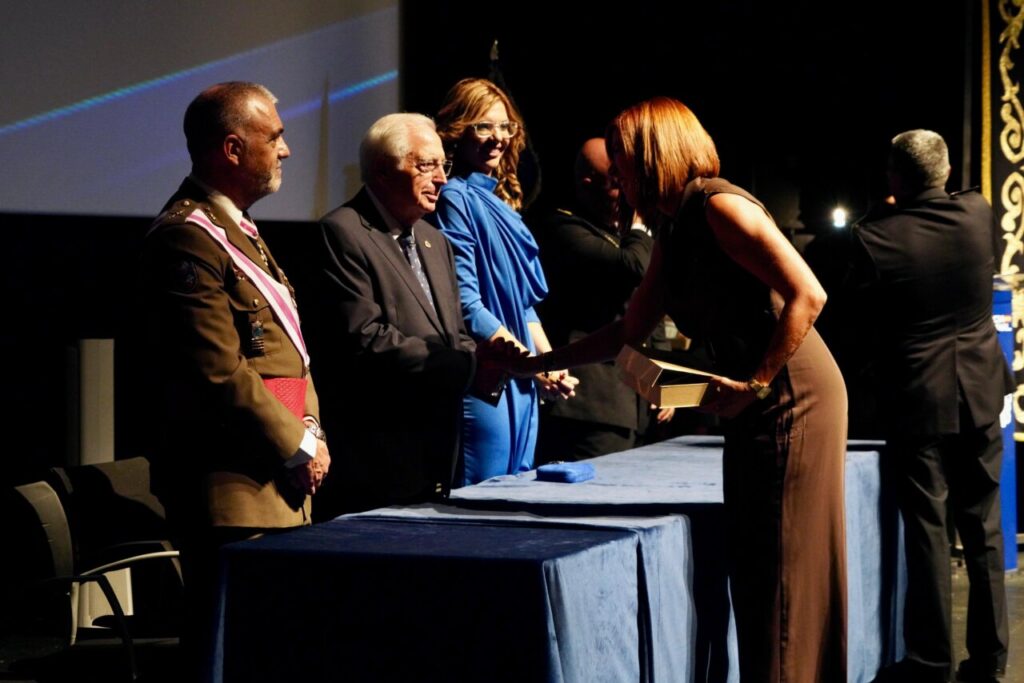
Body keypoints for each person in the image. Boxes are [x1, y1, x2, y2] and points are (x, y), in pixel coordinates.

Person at [505, 97, 848, 683]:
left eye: (621, 162)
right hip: (751, 398)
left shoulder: (718, 207)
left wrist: (758, 383)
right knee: (759, 567)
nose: (615, 178)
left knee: (784, 569)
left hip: (792, 394)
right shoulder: (676, 221)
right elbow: (627, 331)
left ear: (651, 155)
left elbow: (809, 295)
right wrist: (533, 363)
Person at [140, 81, 330, 679]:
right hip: (233, 489)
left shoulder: (238, 228)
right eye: (274, 137)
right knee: (230, 655)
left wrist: (310, 429)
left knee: (273, 650)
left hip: (279, 478)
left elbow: (286, 355)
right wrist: (298, 443)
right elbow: (218, 370)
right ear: (231, 147)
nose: (286, 150)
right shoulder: (186, 236)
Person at [853, 130, 1011, 683]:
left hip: (920, 400)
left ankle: (931, 664)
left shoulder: (877, 237)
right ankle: (989, 662)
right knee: (985, 531)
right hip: (982, 391)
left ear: (894, 177)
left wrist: (882, 207)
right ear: (942, 173)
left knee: (928, 536)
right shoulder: (977, 214)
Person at [309, 113, 501, 516]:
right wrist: (469, 366)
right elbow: (368, 339)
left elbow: (456, 331)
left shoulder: (434, 241)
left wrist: (477, 359)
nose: (442, 179)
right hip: (378, 460)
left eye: (442, 165)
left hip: (437, 453)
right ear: (382, 170)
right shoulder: (342, 232)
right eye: (426, 165)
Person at [432, 77, 577, 485]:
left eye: (504, 127)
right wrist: (529, 363)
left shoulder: (500, 203)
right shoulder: (453, 199)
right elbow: (467, 303)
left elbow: (523, 302)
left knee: (517, 491)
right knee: (486, 499)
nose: (498, 138)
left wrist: (549, 363)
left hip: (520, 375)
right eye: (484, 126)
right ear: (458, 132)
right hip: (489, 374)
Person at [534, 137, 668, 462]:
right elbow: (632, 268)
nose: (626, 192)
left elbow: (648, 304)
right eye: (616, 183)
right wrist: (639, 221)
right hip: (589, 406)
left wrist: (664, 379)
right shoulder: (564, 228)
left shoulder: (627, 237)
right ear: (587, 183)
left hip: (631, 402)